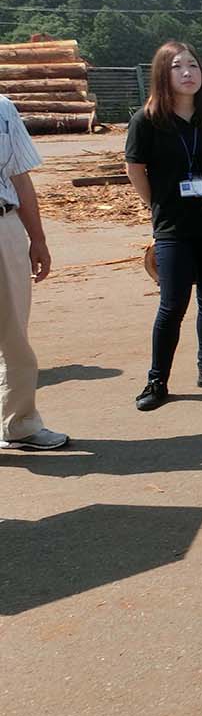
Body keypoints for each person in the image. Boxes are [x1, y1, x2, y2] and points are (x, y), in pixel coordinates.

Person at [124, 41, 202, 412]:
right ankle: (157, 379)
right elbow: (135, 170)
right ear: (163, 73)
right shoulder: (147, 120)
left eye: (193, 65)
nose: (188, 73)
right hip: (173, 225)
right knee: (172, 303)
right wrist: (156, 204)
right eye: (177, 67)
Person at [0, 95, 68, 451]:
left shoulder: (3, 108)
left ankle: (19, 425)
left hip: (4, 226)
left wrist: (37, 238)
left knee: (13, 332)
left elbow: (20, 177)